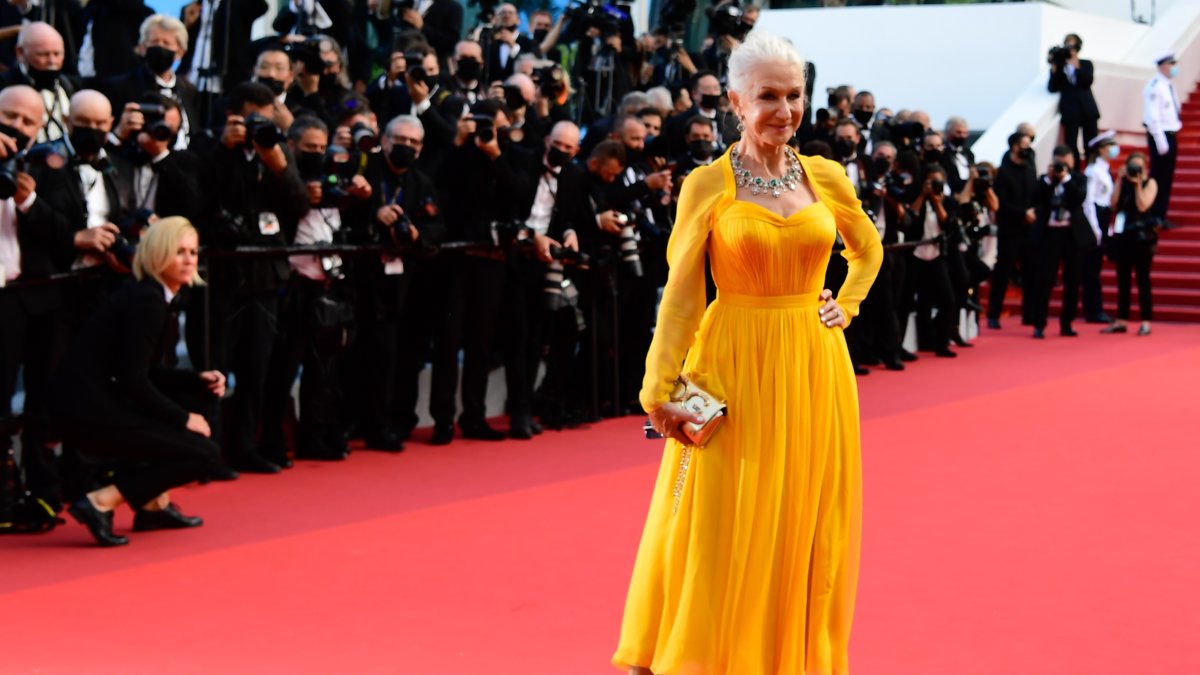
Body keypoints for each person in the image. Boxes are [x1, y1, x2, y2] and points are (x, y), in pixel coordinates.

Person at [613, 30, 882, 675]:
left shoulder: (826, 176)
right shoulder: (707, 184)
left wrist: (843, 305)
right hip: (731, 363)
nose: (784, 111)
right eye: (768, 96)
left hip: (815, 369)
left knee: (802, 521)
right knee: (718, 522)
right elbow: (679, 295)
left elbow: (867, 249)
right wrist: (659, 393)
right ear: (736, 100)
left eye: (794, 96)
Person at [53, 217, 224, 547]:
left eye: (193, 251)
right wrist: (183, 418)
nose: (190, 260)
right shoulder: (147, 301)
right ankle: (100, 502)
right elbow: (134, 380)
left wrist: (195, 379)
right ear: (158, 254)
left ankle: (153, 504)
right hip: (91, 410)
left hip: (103, 399)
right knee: (205, 454)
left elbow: (143, 371)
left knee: (199, 393)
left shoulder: (152, 295)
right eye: (179, 252)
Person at [1028, 145, 1089, 339]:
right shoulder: (1044, 181)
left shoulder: (1078, 179)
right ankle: (1039, 323)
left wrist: (1065, 179)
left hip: (1072, 235)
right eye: (1058, 162)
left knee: (1072, 280)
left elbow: (1080, 197)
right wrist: (1049, 179)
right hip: (1049, 235)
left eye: (1066, 161)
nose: (1062, 165)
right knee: (1043, 280)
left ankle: (1067, 323)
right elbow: (1035, 197)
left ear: (1072, 161)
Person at [1102, 152, 1158, 336]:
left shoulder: (1150, 183)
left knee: (1143, 280)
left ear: (1145, 168)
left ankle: (1146, 321)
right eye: (1132, 166)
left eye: (1138, 167)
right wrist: (1119, 180)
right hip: (1123, 236)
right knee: (1122, 280)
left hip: (1142, 238)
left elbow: (1143, 206)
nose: (1135, 170)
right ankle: (1121, 320)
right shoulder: (1123, 182)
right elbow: (1113, 204)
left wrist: (1137, 185)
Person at [1081, 130, 1118, 324]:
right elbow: (1088, 202)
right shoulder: (1092, 171)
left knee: (1095, 267)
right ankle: (1093, 310)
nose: (1114, 149)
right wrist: (1095, 228)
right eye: (1110, 146)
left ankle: (1095, 308)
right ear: (1102, 149)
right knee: (1091, 268)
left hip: (1104, 216)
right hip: (1094, 218)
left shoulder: (1105, 169)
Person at [1047, 33, 1099, 165]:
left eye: (1072, 45)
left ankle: (1091, 167)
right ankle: (1074, 171)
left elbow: (1087, 82)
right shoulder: (1059, 67)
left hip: (1087, 109)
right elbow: (1052, 88)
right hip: (1070, 111)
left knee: (1091, 142)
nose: (1069, 49)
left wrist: (1077, 66)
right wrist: (1054, 67)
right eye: (1067, 45)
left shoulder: (1086, 64)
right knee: (1071, 144)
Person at [1143, 52, 1182, 223]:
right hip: (1161, 135)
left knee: (1167, 177)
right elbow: (1152, 117)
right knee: (1158, 176)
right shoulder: (1155, 86)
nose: (1174, 67)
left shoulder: (1167, 85)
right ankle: (1153, 213)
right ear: (1162, 66)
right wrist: (1160, 140)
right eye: (1171, 63)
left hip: (1171, 134)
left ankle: (1161, 214)